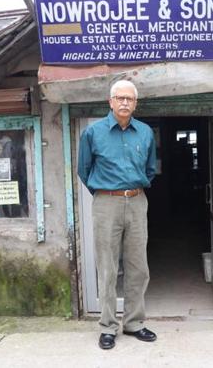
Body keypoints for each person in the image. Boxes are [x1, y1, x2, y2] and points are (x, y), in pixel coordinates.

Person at [78, 80, 157, 350]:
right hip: (106, 202)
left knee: (138, 267)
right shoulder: (93, 133)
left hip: (137, 201)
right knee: (108, 267)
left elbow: (149, 169)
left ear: (136, 103)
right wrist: (105, 193)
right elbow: (84, 170)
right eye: (119, 98)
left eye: (130, 99)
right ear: (110, 101)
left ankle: (134, 323)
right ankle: (108, 326)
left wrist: (131, 190)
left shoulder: (145, 132)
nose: (124, 103)